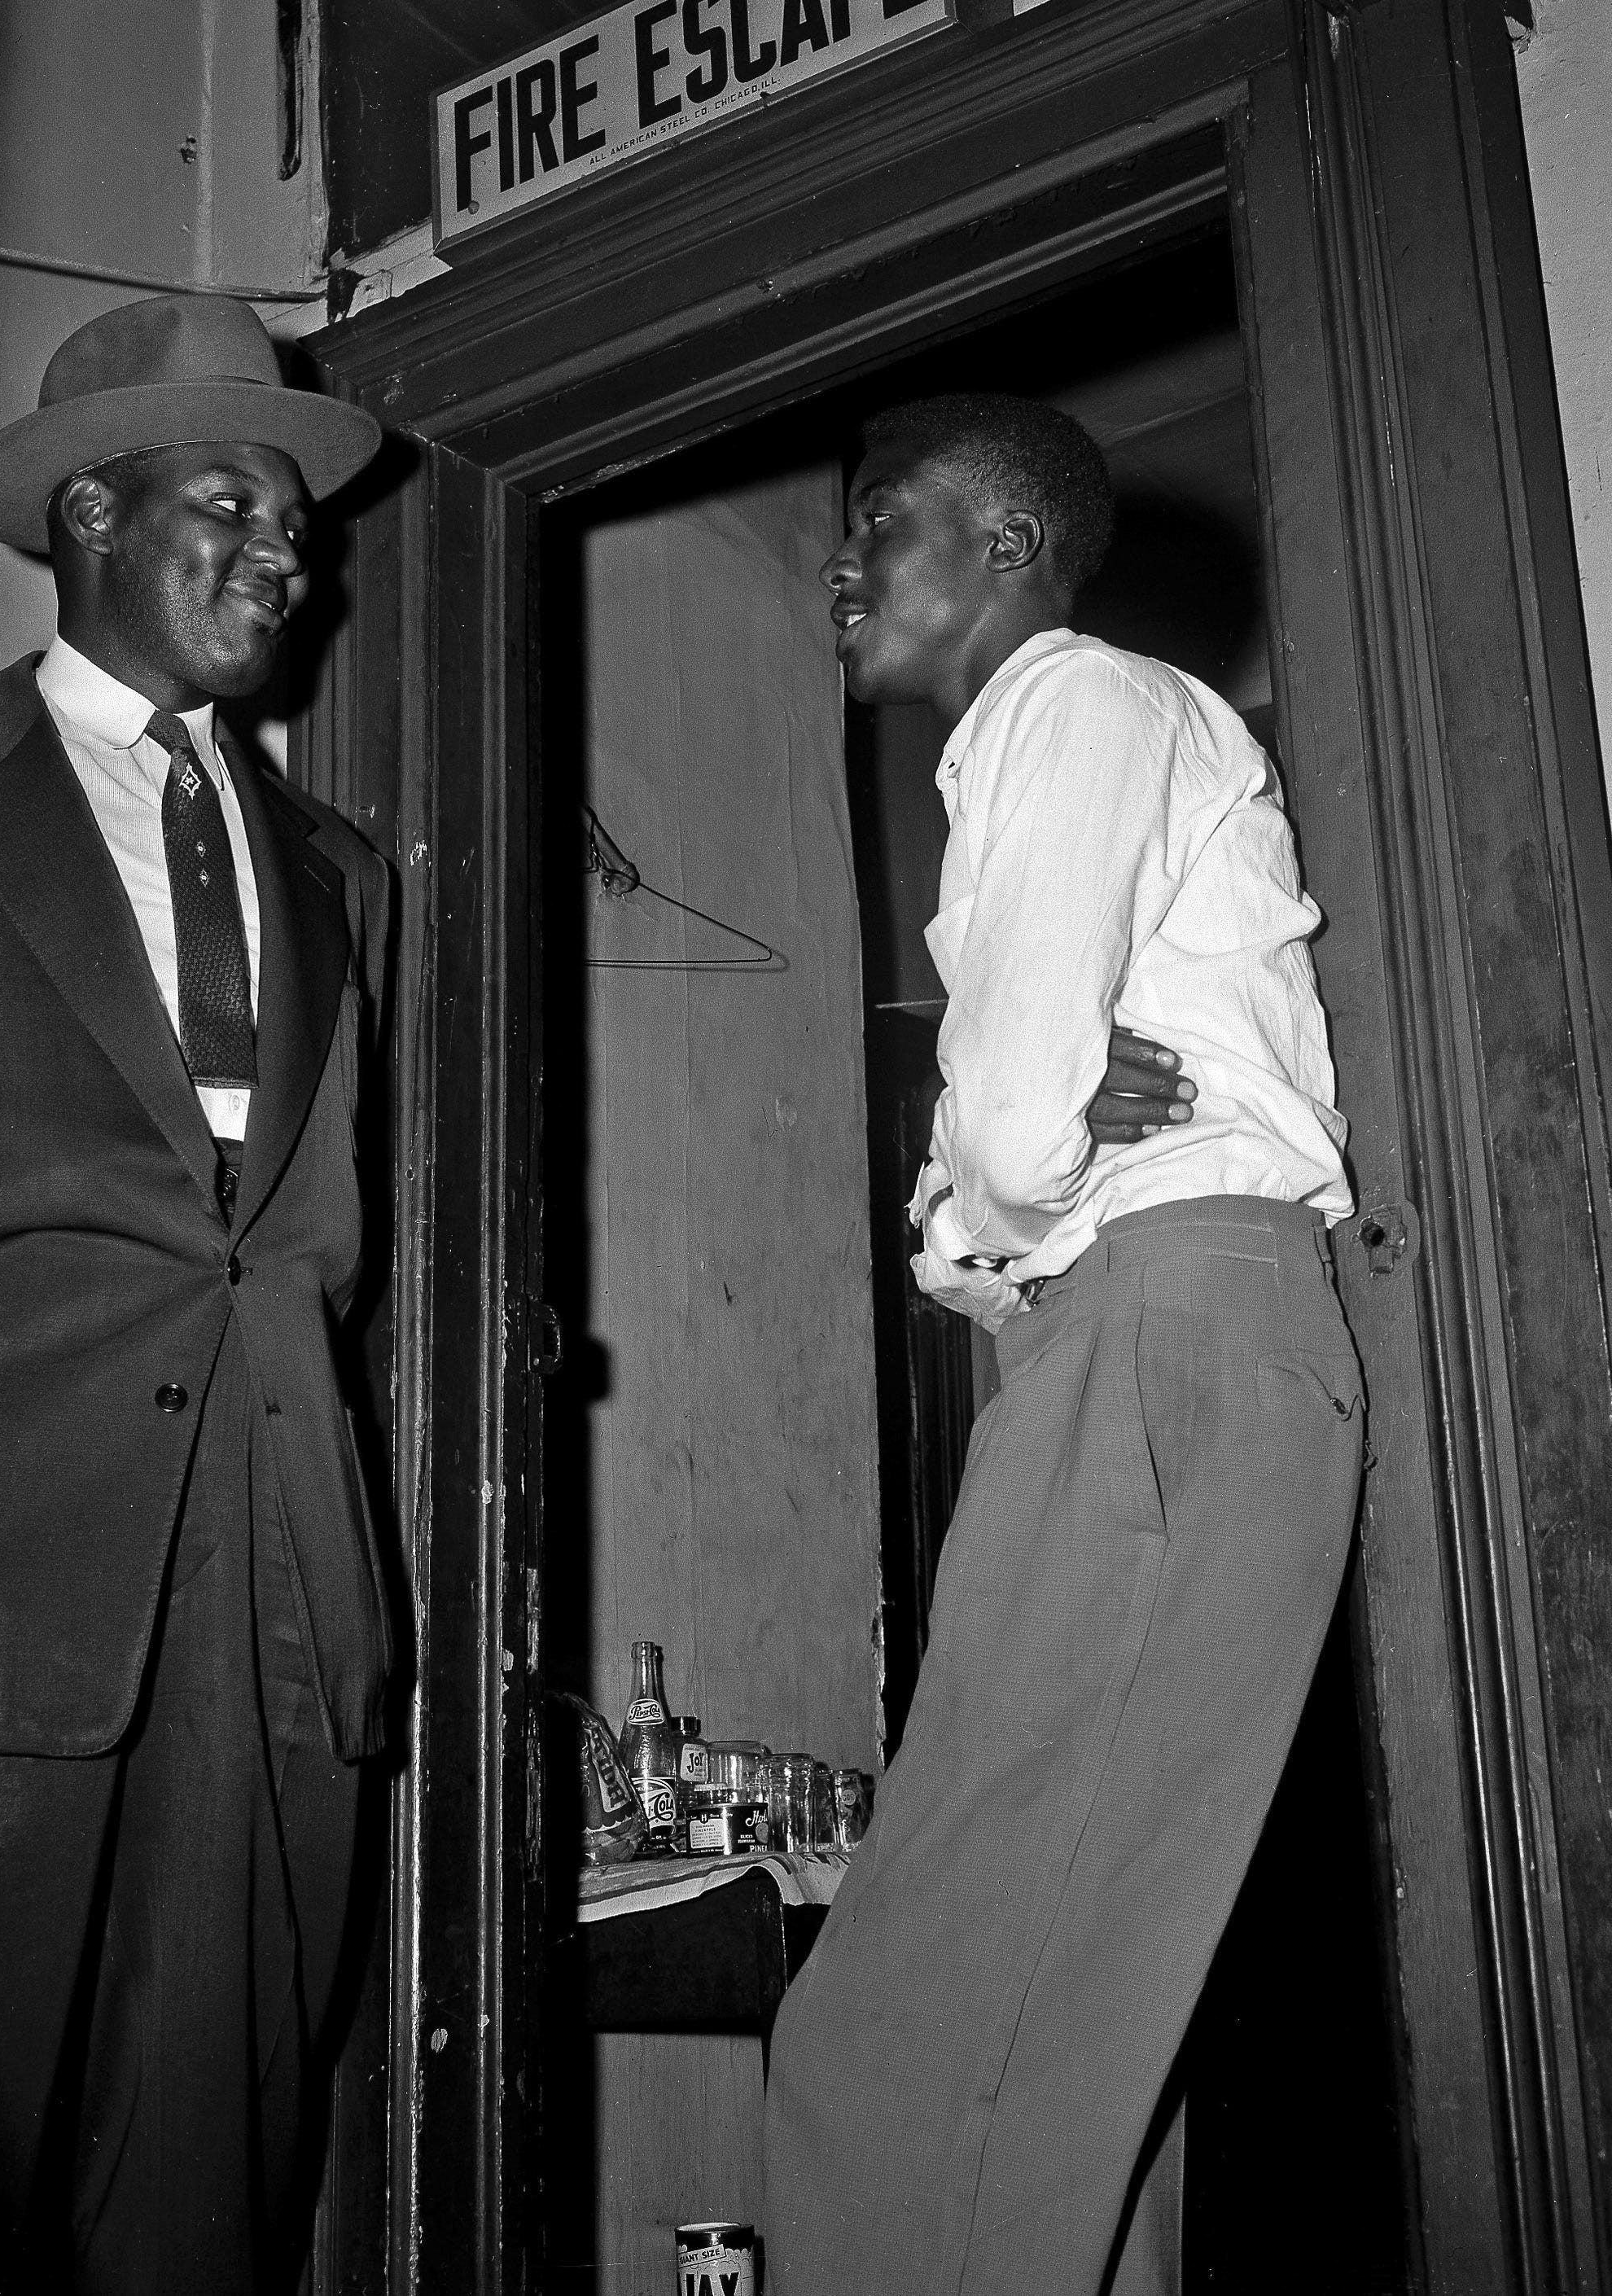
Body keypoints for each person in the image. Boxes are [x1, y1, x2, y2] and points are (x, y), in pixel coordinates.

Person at [764, 392, 1361, 2294]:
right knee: (1070, 2033)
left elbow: (997, 1151)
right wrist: (995, 1187)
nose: (842, 562)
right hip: (1174, 1328)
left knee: (909, 2026)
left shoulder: (1067, 707)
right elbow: (968, 1216)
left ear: (1011, 545)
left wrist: (1001, 1170)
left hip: (1159, 1326)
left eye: (885, 519)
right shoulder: (1077, 740)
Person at [0, 294, 390, 2291]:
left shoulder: (339, 872)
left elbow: (308, 1248)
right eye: (236, 504)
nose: (288, 553)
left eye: (301, 528)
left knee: (201, 2197)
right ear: (90, 509)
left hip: (267, 1628)